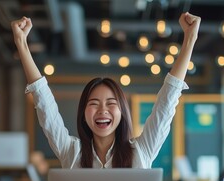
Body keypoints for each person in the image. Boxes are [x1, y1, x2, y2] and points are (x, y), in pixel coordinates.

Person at [11, 12, 201, 169]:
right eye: (94, 103)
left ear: (122, 112)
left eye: (111, 103)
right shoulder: (72, 152)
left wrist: (190, 39)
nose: (103, 110)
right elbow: (45, 105)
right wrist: (21, 43)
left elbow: (166, 104)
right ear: (83, 114)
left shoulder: (141, 151)